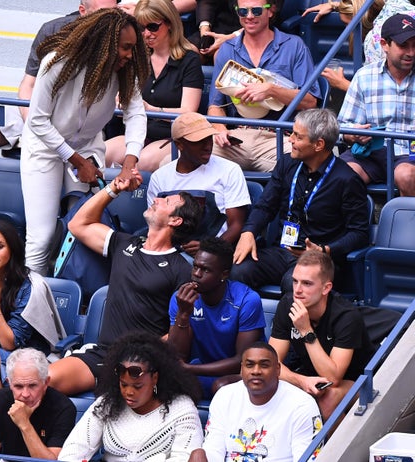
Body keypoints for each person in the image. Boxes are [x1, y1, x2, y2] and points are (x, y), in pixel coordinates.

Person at [20, 8, 150, 276]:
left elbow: (136, 113)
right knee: (41, 237)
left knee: (82, 226)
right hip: (44, 147)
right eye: (125, 48)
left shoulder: (125, 71)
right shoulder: (56, 62)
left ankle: (76, 295)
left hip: (88, 147)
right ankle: (28, 305)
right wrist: (77, 161)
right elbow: (37, 121)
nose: (129, 55)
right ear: (106, 44)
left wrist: (129, 161)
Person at [48, 173, 202, 396]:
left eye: (166, 201)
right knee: (43, 383)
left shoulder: (180, 269)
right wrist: (113, 189)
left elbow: (179, 329)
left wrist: (147, 352)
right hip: (103, 355)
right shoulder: (124, 244)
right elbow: (77, 224)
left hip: (141, 362)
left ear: (175, 220)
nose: (156, 199)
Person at [231, 108, 369, 292]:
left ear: (318, 144)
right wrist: (248, 232)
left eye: (298, 136)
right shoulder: (286, 164)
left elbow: (359, 233)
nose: (290, 140)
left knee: (295, 284)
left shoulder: (347, 180)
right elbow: (265, 206)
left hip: (320, 259)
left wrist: (324, 250)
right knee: (238, 270)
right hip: (282, 251)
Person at [0, 0, 118, 157]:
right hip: (39, 109)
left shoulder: (122, 37)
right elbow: (29, 84)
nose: (111, 19)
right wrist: (31, 125)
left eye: (115, 11)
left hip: (79, 120)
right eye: (103, 12)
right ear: (83, 10)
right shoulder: (54, 30)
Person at [207, 0, 321, 173]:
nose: (250, 16)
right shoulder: (227, 50)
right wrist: (220, 129)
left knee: (305, 166)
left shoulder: (293, 45)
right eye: (243, 12)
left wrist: (271, 90)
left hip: (281, 137)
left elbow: (311, 102)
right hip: (237, 137)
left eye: (257, 11)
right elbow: (215, 106)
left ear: (271, 11)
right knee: (185, 158)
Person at [58, 332, 203, 462]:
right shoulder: (107, 403)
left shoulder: (182, 409)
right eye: (123, 384)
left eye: (137, 386)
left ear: (155, 378)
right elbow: (73, 451)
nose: (129, 392)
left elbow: (185, 457)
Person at [0, 221, 65, 388]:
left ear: (12, 249)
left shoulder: (30, 286)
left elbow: (10, 343)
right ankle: (1, 412)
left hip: (26, 354)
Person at [268, 251, 375, 420]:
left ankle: (337, 447)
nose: (297, 290)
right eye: (295, 281)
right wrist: (302, 380)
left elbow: (333, 378)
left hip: (358, 381)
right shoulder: (287, 305)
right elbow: (271, 363)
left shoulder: (347, 316)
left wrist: (306, 331)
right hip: (310, 376)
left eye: (307, 284)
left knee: (328, 397)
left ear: (326, 288)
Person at [105, 0, 204, 172]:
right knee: (98, 154)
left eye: (152, 27)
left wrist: (150, 108)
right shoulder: (137, 57)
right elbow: (123, 93)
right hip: (138, 132)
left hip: (171, 137)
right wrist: (120, 99)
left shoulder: (189, 60)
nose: (146, 34)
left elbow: (188, 111)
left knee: (141, 161)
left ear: (170, 24)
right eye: (141, 28)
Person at [188, 342, 322, 462]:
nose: (256, 371)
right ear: (242, 369)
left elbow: (308, 458)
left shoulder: (302, 404)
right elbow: (213, 451)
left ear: (278, 369)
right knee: (198, 455)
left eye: (264, 365)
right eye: (249, 365)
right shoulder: (225, 396)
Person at [168, 237, 266, 399]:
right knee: (160, 381)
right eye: (195, 267)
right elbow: (177, 356)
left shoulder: (246, 300)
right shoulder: (182, 299)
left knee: (220, 387)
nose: (196, 275)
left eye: (205, 270)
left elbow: (242, 360)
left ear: (224, 274)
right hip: (201, 368)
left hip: (239, 375)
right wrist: (183, 315)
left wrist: (189, 369)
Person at [147, 112, 250, 254]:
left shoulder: (230, 170)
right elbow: (156, 224)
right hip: (169, 252)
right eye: (199, 141)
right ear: (179, 145)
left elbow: (236, 224)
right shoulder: (159, 177)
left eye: (209, 139)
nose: (208, 146)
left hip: (214, 254)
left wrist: (208, 247)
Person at [338, 13, 415, 196]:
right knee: (341, 174)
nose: (411, 52)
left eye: (414, 45)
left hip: (410, 155)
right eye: (403, 45)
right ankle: (357, 224)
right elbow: (342, 127)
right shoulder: (365, 76)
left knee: (406, 175)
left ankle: (406, 225)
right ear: (384, 45)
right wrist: (354, 135)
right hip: (370, 153)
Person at [0, 348, 76, 462]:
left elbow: (51, 461)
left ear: (45, 382)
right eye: (18, 386)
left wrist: (24, 424)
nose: (25, 394)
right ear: (9, 383)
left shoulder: (64, 408)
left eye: (32, 386)